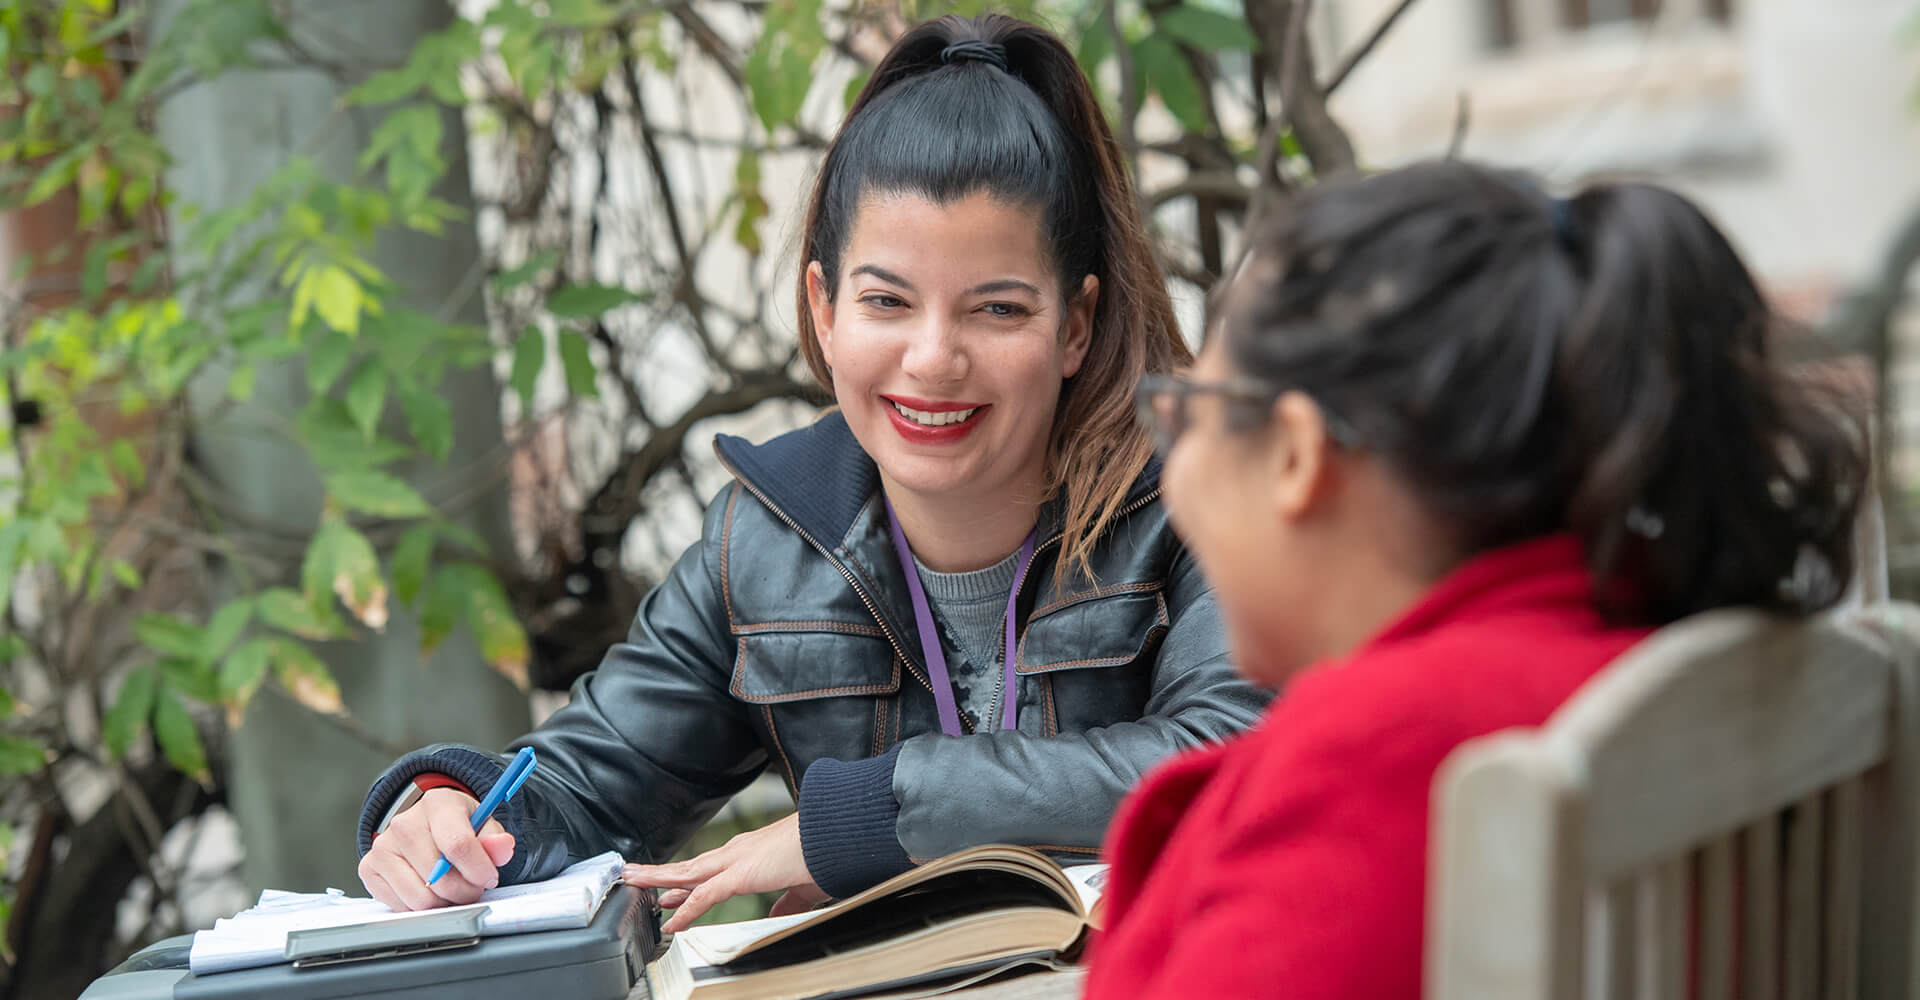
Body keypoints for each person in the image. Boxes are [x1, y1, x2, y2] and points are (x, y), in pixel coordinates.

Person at [353, 13, 1268, 933]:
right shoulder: (763, 540)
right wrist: (448, 813)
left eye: (997, 309)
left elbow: (1232, 759)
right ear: (823, 308)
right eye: (886, 301)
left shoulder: (1191, 493)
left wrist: (865, 818)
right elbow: (585, 795)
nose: (933, 358)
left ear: (1074, 327)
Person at [1086, 160, 1867, 997]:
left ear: (1293, 454)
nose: (1172, 463)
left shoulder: (1378, 757)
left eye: (1186, 412)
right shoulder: (1702, 648)